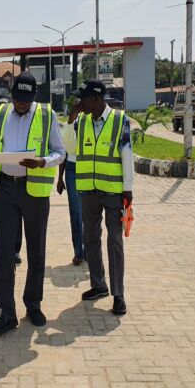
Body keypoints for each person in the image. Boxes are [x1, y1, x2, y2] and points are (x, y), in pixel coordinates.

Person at [0, 72, 65, 336]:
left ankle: (33, 304)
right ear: (12, 95)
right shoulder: (0, 115)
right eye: (17, 99)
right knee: (4, 253)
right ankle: (7, 313)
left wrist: (43, 162)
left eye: (26, 100)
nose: (21, 104)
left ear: (34, 97)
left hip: (34, 191)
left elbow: (60, 152)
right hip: (5, 188)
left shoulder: (46, 115)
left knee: (36, 251)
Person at [74, 80, 134, 316]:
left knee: (114, 241)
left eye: (84, 99)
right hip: (89, 190)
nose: (80, 103)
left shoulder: (119, 120)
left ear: (96, 99)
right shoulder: (81, 121)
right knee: (91, 239)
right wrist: (72, 118)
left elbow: (127, 153)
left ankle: (118, 294)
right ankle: (98, 285)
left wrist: (128, 189)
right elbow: (70, 147)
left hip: (113, 191)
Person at [0, 96, 23, 265]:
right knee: (2, 226)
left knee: (16, 222)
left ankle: (15, 250)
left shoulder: (16, 127)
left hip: (15, 181)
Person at [57, 99, 85, 265]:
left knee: (89, 212)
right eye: (78, 103)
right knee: (76, 212)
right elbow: (66, 151)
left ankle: (89, 249)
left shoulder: (94, 120)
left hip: (89, 168)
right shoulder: (72, 121)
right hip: (72, 169)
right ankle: (78, 251)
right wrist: (60, 178)